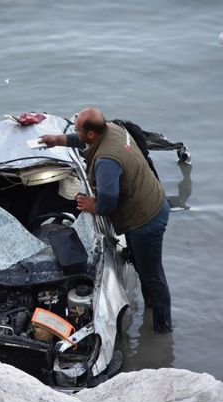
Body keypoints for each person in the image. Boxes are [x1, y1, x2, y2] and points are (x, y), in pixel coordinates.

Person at [40, 108, 173, 333]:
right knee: (144, 267)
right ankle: (150, 307)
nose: (76, 133)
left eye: (78, 130)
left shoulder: (106, 161)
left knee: (153, 275)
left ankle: (163, 330)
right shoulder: (111, 129)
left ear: (92, 133)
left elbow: (109, 202)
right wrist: (58, 140)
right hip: (151, 203)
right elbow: (83, 140)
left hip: (146, 220)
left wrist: (93, 205)